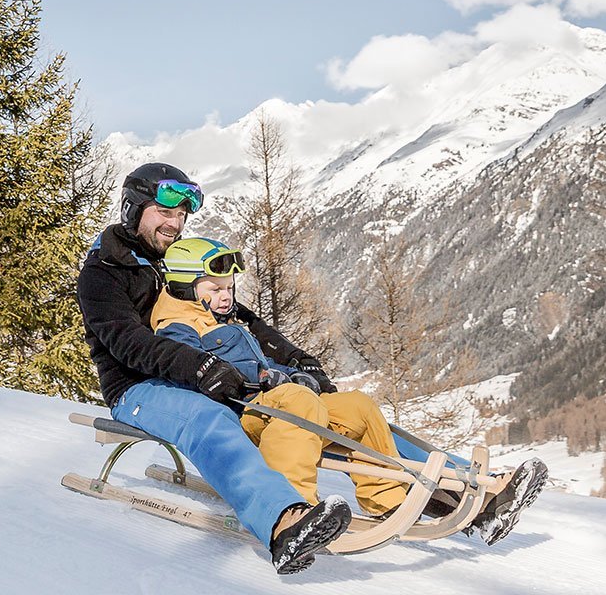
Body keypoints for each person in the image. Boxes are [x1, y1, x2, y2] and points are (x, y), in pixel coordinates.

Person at [77, 162, 350, 574]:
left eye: (181, 215)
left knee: (336, 408)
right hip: (138, 388)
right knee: (211, 421)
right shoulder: (103, 272)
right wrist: (199, 366)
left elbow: (245, 320)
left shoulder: (176, 264)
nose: (175, 223)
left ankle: (444, 490)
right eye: (164, 213)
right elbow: (126, 342)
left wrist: (297, 360)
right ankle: (282, 523)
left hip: (197, 376)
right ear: (133, 210)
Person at [153, 236, 417, 519]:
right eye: (215, 288)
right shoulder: (176, 328)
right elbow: (192, 371)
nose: (226, 296)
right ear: (184, 287)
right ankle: (290, 507)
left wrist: (295, 374)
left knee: (357, 406)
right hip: (240, 412)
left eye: (229, 287)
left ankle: (386, 499)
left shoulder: (223, 319)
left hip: (274, 404)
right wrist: (264, 378)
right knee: (298, 401)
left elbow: (263, 363)